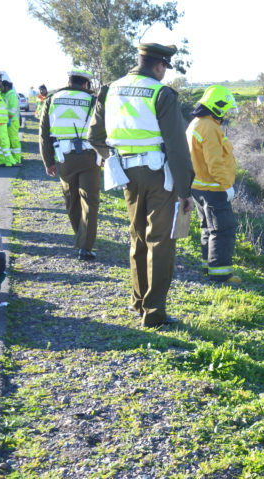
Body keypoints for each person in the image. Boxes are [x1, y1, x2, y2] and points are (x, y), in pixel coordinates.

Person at [87, 42, 195, 328]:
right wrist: (185, 191)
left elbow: (94, 136)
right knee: (160, 241)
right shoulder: (162, 94)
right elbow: (177, 146)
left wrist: (112, 159)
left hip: (126, 173)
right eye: (164, 69)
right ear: (159, 65)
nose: (164, 74)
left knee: (137, 236)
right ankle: (154, 312)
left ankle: (138, 301)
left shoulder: (110, 89)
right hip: (160, 175)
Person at [39, 69, 100, 260]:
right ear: (85, 84)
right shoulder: (94, 100)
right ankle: (85, 246)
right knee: (90, 201)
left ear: (68, 81)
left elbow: (44, 133)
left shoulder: (52, 99)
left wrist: (48, 161)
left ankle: (80, 236)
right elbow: (102, 129)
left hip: (64, 157)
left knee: (72, 200)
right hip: (90, 157)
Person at [185, 85, 241, 284]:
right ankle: (221, 274)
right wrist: (226, 185)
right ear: (217, 106)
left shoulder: (197, 123)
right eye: (225, 108)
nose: (226, 113)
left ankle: (208, 267)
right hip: (213, 188)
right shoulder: (209, 127)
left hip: (199, 187)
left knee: (208, 228)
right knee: (222, 229)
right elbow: (214, 162)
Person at [2, 79, 22, 164]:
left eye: (2, 87)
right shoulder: (7, 94)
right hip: (10, 121)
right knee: (10, 141)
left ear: (6, 87)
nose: (1, 88)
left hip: (12, 121)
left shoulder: (11, 95)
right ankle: (13, 159)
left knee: (14, 140)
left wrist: (8, 118)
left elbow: (12, 109)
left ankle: (17, 159)